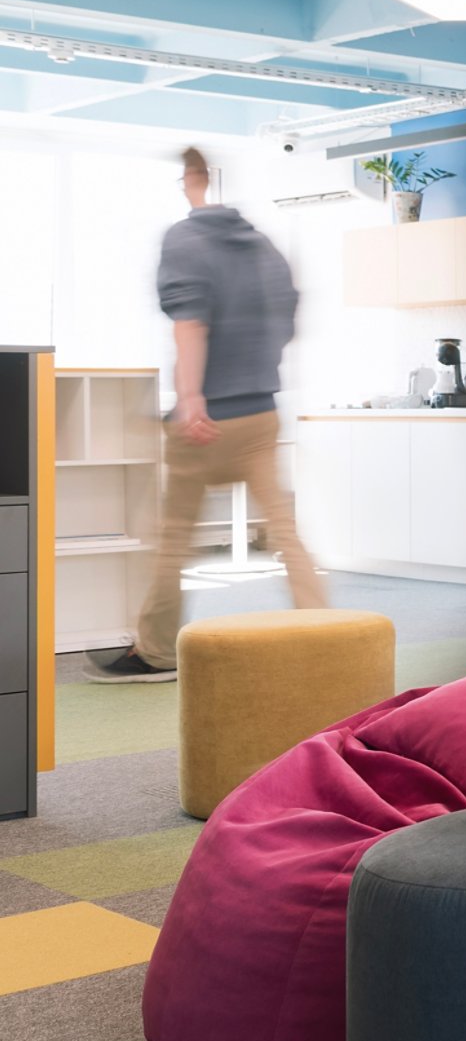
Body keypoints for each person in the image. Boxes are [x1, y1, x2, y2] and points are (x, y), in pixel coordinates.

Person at [86, 148, 324, 683]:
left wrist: (191, 397)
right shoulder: (264, 246)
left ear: (190, 181)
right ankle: (327, 636)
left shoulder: (184, 239)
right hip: (262, 410)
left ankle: (155, 652)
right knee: (286, 532)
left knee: (173, 539)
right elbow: (286, 318)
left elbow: (190, 324)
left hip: (207, 419)